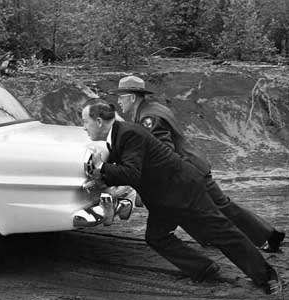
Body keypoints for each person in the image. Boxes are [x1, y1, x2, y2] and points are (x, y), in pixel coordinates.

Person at [81, 99, 282, 296]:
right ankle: (204, 269)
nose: (83, 127)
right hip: (163, 198)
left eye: (85, 122)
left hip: (183, 190)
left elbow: (131, 173)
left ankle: (267, 276)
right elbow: (125, 170)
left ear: (99, 121)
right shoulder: (118, 136)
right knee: (156, 237)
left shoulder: (128, 134)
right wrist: (100, 180)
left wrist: (100, 168)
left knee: (222, 233)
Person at [112, 75, 285, 253]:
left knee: (222, 206)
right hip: (190, 167)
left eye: (121, 96)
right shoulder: (153, 109)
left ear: (132, 97)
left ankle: (268, 237)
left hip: (190, 170)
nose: (118, 101)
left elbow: (163, 150)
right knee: (201, 208)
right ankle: (217, 238)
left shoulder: (149, 118)